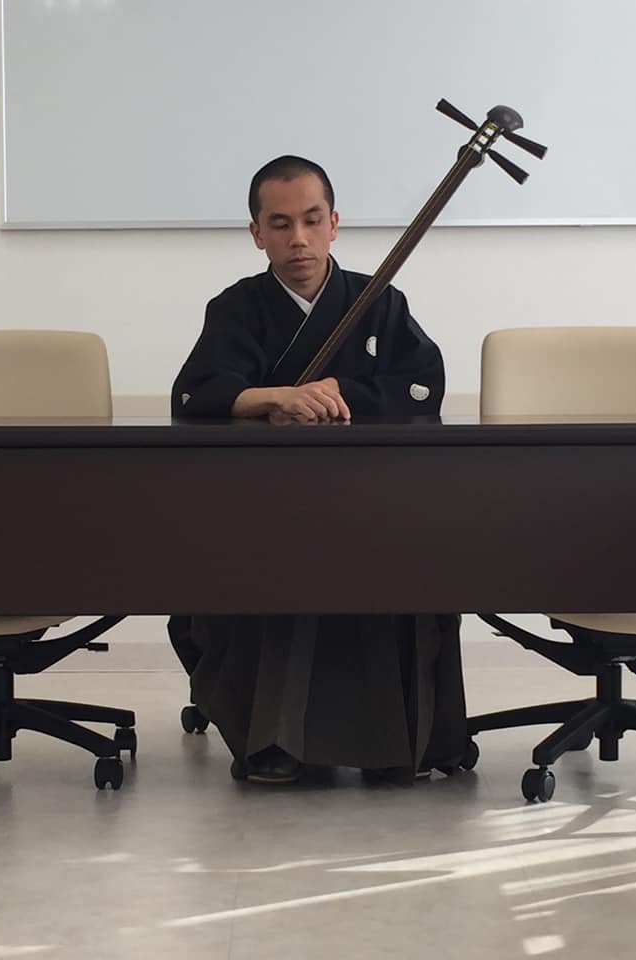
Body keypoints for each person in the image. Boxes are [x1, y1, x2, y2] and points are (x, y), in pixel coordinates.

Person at [168, 155, 467, 785]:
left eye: (311, 220)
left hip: (372, 501)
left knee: (402, 565)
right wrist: (271, 398)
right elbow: (196, 396)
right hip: (269, 505)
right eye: (280, 224)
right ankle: (274, 742)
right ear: (257, 233)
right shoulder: (237, 307)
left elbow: (422, 389)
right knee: (279, 565)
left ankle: (402, 746)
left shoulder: (379, 301)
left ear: (334, 224)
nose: (298, 239)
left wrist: (339, 391)